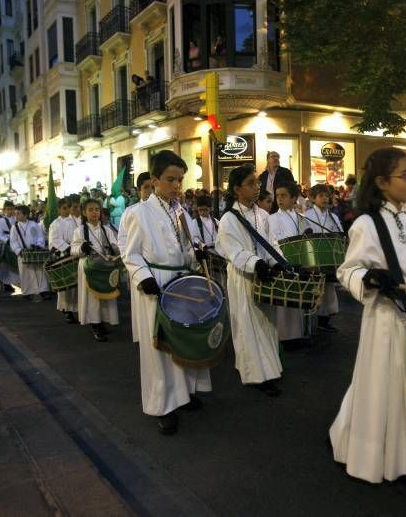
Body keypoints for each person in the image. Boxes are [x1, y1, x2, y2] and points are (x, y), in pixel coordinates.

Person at [329, 147, 406, 487]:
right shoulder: (367, 223)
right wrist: (369, 279)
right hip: (388, 320)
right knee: (388, 392)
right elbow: (348, 270)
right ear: (381, 182)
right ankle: (394, 458)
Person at [123, 151, 211, 434]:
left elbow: (187, 246)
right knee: (159, 347)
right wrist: (144, 278)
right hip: (156, 287)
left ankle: (183, 395)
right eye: (170, 179)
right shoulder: (139, 213)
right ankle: (162, 405)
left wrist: (196, 253)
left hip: (181, 283)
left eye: (180, 180)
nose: (176, 186)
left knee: (182, 340)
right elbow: (131, 254)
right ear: (154, 179)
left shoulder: (180, 211)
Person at [215, 163, 282, 397]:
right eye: (251, 183)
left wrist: (279, 264)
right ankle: (255, 374)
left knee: (266, 323)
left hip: (264, 277)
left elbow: (273, 244)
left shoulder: (263, 215)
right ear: (236, 189)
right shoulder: (228, 219)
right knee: (247, 326)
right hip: (243, 278)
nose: (257, 187)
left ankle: (269, 369)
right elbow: (233, 251)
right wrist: (256, 263)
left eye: (258, 183)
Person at [71, 199, 120, 342]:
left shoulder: (107, 230)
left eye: (97, 209)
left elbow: (115, 245)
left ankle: (103, 321)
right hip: (89, 267)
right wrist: (81, 248)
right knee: (92, 297)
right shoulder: (79, 231)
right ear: (84, 213)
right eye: (91, 210)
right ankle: (95, 324)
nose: (94, 212)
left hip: (104, 267)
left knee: (106, 296)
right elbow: (73, 250)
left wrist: (113, 248)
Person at [269, 181, 307, 349]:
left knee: (298, 300)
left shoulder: (300, 217)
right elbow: (273, 241)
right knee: (284, 302)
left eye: (284, 195)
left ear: (294, 198)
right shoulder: (272, 218)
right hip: (282, 262)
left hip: (298, 262)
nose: (279, 199)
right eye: (277, 196)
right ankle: (284, 338)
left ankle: (298, 335)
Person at [305, 184, 343, 332]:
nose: (325, 198)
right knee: (314, 288)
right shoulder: (307, 215)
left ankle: (324, 320)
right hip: (314, 256)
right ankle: (307, 322)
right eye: (321, 196)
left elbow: (339, 233)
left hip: (328, 256)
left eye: (327, 196)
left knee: (328, 288)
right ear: (313, 198)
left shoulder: (333, 217)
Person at [48, 198, 78, 324]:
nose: (67, 210)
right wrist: (66, 247)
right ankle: (66, 310)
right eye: (64, 208)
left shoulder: (75, 221)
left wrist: (75, 246)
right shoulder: (55, 224)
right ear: (59, 209)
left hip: (75, 254)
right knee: (65, 284)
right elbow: (54, 239)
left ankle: (76, 308)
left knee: (75, 283)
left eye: (68, 207)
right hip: (63, 255)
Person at [10, 205, 49, 301]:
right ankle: (27, 292)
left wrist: (39, 245)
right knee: (25, 273)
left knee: (39, 272)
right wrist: (19, 250)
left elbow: (40, 237)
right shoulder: (14, 227)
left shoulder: (34, 225)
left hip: (35, 252)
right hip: (23, 254)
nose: (16, 216)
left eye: (18, 214)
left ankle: (43, 291)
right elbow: (13, 241)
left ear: (26, 214)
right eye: (16, 214)